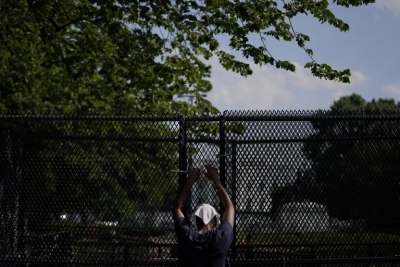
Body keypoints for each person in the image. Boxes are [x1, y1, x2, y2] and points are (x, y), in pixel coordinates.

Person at [172, 165, 235, 267]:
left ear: (196, 220)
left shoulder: (188, 237)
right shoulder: (221, 237)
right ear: (215, 219)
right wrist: (215, 179)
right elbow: (230, 208)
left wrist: (189, 182)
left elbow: (177, 209)